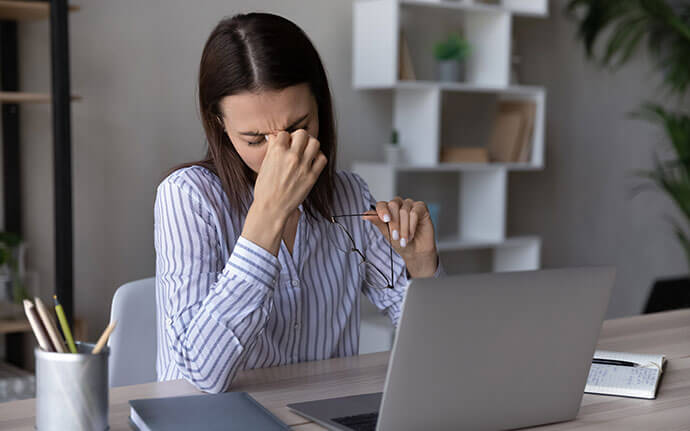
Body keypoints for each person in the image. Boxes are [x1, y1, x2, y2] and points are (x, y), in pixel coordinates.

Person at [154, 12, 443, 393]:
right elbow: (201, 377)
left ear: (320, 107)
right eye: (255, 139)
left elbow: (434, 347)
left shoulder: (350, 196)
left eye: (298, 127)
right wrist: (267, 216)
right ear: (220, 124)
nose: (282, 154)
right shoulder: (188, 197)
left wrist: (421, 269)